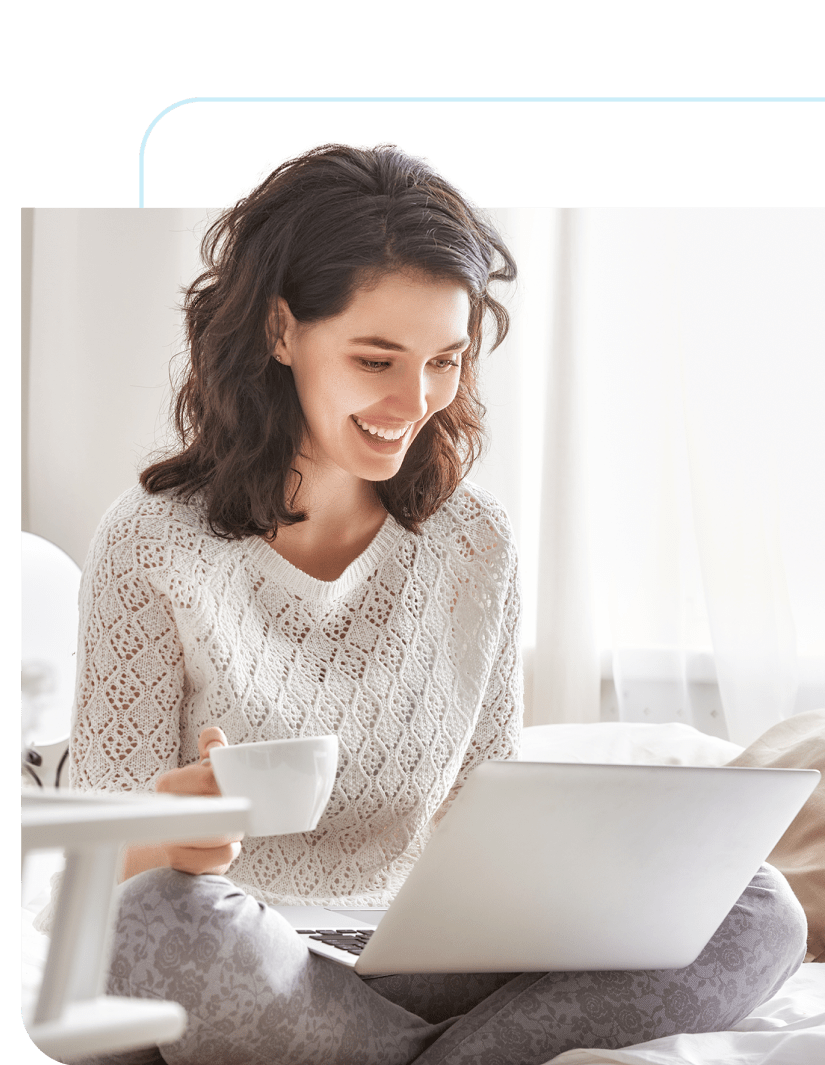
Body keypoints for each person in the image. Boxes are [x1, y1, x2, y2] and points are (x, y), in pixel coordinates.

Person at [65, 142, 806, 1065]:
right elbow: (99, 880)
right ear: (280, 329)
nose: (414, 401)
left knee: (756, 905)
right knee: (158, 924)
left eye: (446, 360)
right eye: (376, 359)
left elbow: (483, 815)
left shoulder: (475, 542)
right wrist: (179, 842)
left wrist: (590, 869)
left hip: (413, 957)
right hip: (239, 945)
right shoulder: (151, 541)